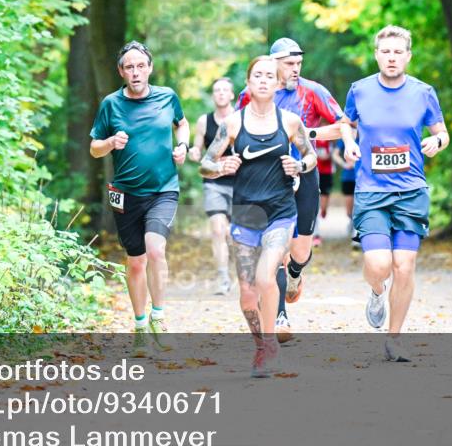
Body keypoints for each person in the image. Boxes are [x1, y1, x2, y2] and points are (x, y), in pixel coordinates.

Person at [337, 25, 449, 362]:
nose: (391, 57)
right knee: (379, 264)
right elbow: (346, 122)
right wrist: (349, 141)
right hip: (372, 190)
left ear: (408, 56)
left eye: (398, 52)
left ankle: (394, 339)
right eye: (385, 52)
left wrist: (437, 142)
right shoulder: (360, 90)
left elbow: (441, 132)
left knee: (405, 265)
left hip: (410, 190)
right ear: (376, 55)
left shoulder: (423, 92)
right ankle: (375, 292)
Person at [200, 55, 317, 377]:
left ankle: (268, 345)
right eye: (258, 76)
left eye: (270, 76)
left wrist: (299, 166)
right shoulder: (233, 124)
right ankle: (262, 344)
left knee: (267, 278)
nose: (264, 80)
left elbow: (311, 155)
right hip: (246, 214)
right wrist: (221, 166)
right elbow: (205, 164)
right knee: (248, 296)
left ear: (279, 83)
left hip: (280, 212)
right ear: (249, 83)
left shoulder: (290, 121)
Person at [237, 37, 344, 343]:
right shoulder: (251, 94)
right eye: (289, 64)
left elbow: (344, 125)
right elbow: (235, 129)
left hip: (305, 172)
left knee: (299, 250)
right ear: (273, 65)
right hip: (270, 179)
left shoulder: (313, 92)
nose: (296, 69)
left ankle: (296, 272)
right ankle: (280, 315)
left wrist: (306, 133)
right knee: (277, 246)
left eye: (299, 63)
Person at [89, 41, 190, 354]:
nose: (135, 71)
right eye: (129, 67)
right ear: (121, 71)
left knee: (155, 249)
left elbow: (182, 123)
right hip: (126, 193)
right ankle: (140, 325)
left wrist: (183, 147)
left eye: (140, 66)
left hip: (163, 188)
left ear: (149, 68)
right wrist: (110, 142)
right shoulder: (111, 104)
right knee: (135, 263)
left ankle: (159, 317)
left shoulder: (167, 96)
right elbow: (94, 148)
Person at [188, 77, 236, 295]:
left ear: (232, 95)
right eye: (217, 90)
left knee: (237, 235)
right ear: (213, 95)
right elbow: (197, 149)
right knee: (218, 231)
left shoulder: (241, 118)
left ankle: (245, 273)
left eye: (225, 90)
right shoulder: (203, 122)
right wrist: (194, 152)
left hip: (241, 183)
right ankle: (224, 279)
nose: (221, 93)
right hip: (214, 182)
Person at [311, 139, 336, 247]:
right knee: (315, 205)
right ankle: (316, 234)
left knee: (323, 208)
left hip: (326, 173)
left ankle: (323, 211)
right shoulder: (312, 137)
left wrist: (328, 155)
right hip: (314, 172)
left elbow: (331, 154)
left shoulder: (330, 140)